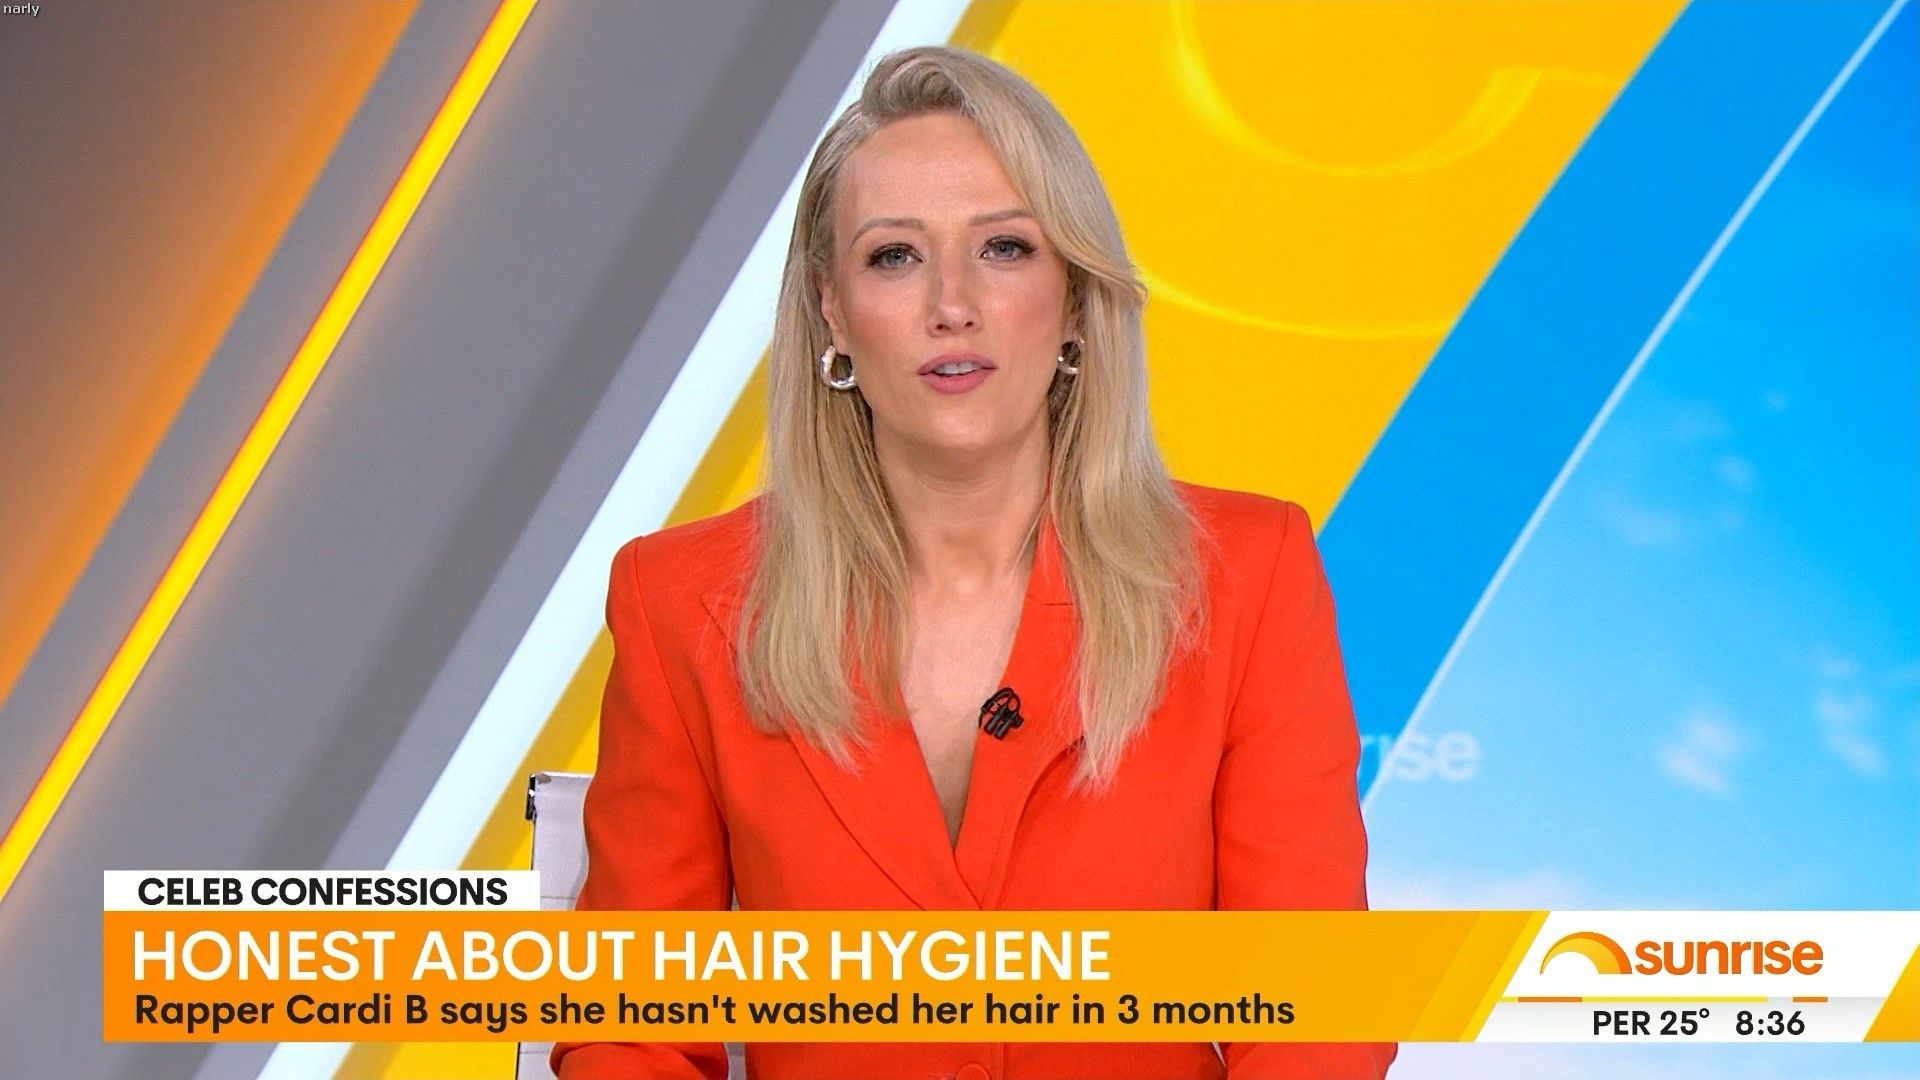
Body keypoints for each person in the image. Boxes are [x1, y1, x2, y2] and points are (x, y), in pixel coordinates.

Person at [553, 44, 1395, 1080]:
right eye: (894, 257)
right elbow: (629, 1025)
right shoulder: (681, 601)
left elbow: (1314, 1015)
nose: (952, 303)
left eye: (1003, 248)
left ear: (1074, 298)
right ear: (830, 309)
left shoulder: (1248, 577)